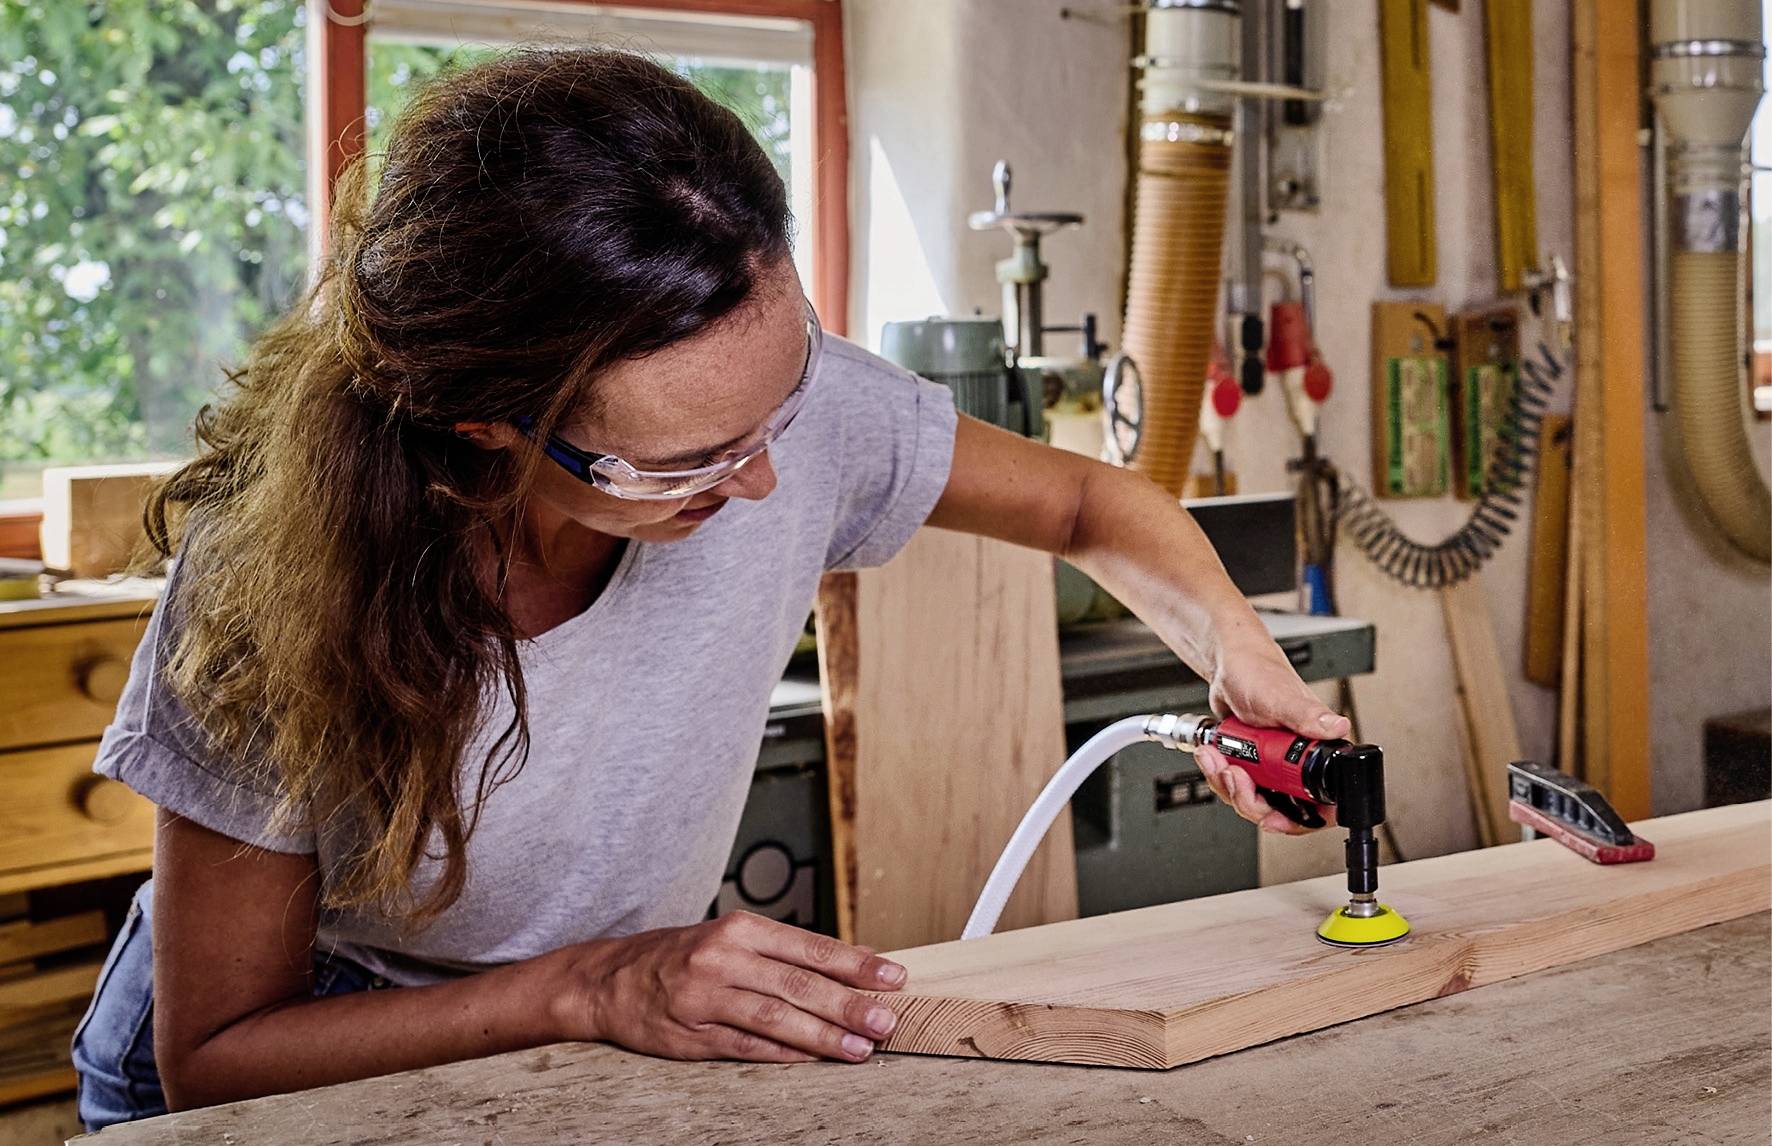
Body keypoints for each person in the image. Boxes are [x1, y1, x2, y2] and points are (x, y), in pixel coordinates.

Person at [70, 48, 1349, 1130]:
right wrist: (592, 987)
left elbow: (1089, 504)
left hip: (583, 1027)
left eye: (776, 413)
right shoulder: (271, 584)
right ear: (481, 422)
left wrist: (1241, 662)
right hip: (311, 1044)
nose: (757, 488)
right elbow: (218, 1052)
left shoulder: (783, 406)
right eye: (680, 461)